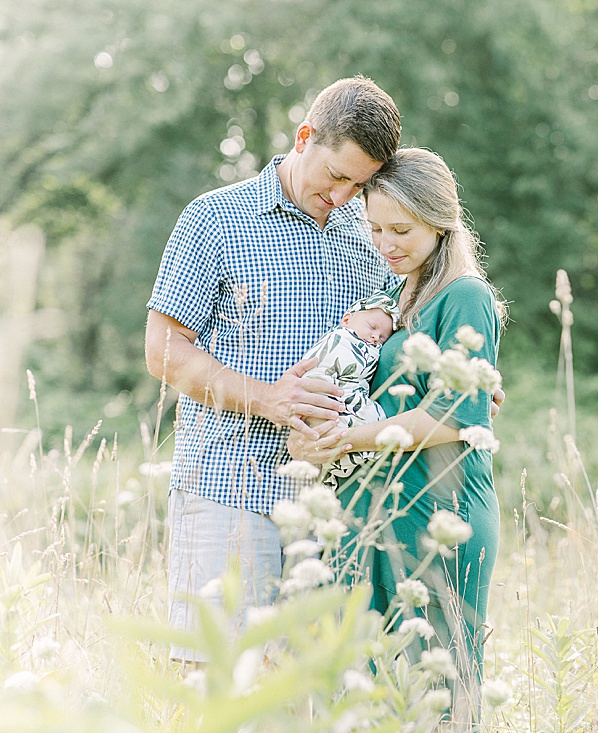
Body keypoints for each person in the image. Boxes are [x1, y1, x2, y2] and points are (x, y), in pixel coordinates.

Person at [144, 76, 402, 662]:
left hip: (334, 504)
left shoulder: (370, 238)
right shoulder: (215, 218)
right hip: (227, 490)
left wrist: (464, 381)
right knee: (217, 684)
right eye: (336, 176)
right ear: (304, 136)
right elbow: (163, 349)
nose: (342, 195)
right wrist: (269, 400)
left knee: (308, 694)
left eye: (358, 185)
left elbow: (402, 336)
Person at [288, 147, 506, 726]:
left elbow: (452, 416)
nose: (387, 243)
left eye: (402, 230)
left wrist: (346, 438)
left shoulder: (464, 295)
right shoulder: (400, 297)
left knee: (435, 683)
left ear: (441, 222)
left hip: (438, 509)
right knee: (370, 687)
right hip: (379, 511)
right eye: (377, 228)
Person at [300, 292, 400, 488]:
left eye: (382, 338)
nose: (375, 337)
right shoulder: (340, 339)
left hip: (354, 398)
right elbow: (318, 370)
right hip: (333, 398)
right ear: (347, 319)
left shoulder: (370, 347)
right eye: (372, 328)